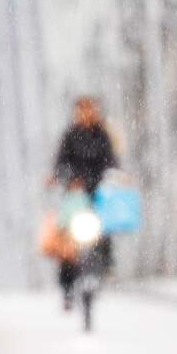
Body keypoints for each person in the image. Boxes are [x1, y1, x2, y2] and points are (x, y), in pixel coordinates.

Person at [48, 96, 117, 307]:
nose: (87, 113)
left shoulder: (103, 136)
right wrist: (66, 179)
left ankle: (105, 267)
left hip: (97, 195)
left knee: (104, 230)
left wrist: (113, 177)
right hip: (75, 198)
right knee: (67, 243)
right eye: (83, 109)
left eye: (90, 109)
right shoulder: (70, 136)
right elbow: (60, 163)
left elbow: (112, 162)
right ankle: (67, 288)